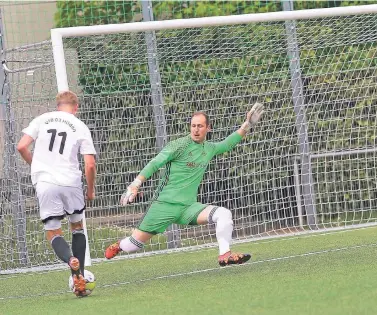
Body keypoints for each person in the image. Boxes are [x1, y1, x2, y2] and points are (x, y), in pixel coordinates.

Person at [105, 103, 264, 266]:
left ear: (208, 128)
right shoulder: (178, 145)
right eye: (193, 126)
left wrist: (248, 125)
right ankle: (119, 245)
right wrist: (136, 183)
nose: (196, 129)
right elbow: (155, 163)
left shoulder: (209, 148)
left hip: (188, 208)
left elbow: (227, 144)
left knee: (223, 214)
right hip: (164, 205)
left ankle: (225, 255)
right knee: (132, 246)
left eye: (200, 126)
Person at [17, 91, 96, 296]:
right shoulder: (80, 126)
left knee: (53, 231)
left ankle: (71, 261)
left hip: (45, 182)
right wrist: (90, 190)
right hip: (71, 182)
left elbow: (21, 146)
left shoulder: (42, 119)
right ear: (76, 108)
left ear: (57, 105)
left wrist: (37, 167)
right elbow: (89, 165)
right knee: (77, 227)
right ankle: (78, 278)